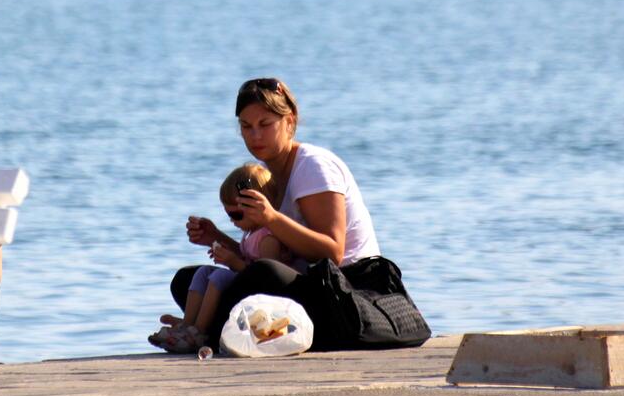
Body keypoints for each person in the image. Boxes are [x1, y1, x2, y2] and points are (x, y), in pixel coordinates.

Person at [169, 78, 430, 351]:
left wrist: (271, 218)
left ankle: (207, 328)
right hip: (300, 283)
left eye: (265, 125)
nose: (255, 136)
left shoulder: (313, 166)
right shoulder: (265, 174)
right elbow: (269, 252)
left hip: (344, 290)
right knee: (188, 280)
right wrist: (217, 238)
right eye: (246, 127)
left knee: (264, 273)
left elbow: (331, 253)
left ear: (289, 121)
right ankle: (201, 326)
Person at [150, 163, 293, 353]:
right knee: (203, 273)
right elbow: (247, 259)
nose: (233, 220)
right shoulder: (250, 233)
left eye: (236, 214)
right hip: (244, 283)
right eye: (229, 215)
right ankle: (187, 324)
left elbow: (264, 277)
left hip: (259, 299)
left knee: (219, 277)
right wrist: (222, 247)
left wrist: (233, 262)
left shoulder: (268, 238)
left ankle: (199, 332)